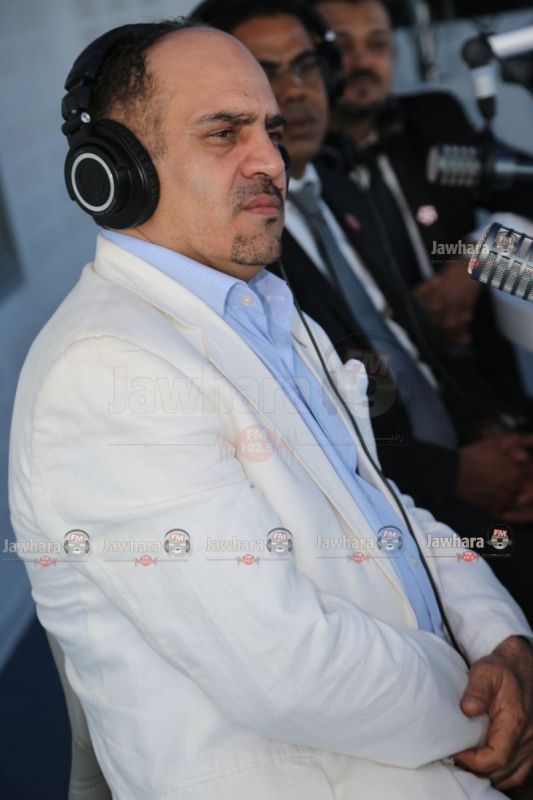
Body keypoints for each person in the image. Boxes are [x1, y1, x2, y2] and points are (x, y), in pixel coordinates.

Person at [8, 18, 533, 800]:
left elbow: (386, 505)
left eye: (272, 132)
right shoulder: (104, 372)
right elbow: (288, 668)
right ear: (113, 170)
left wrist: (504, 641)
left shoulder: (266, 312)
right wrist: (487, 711)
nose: (271, 162)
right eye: (225, 133)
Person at [193, 0, 533, 618]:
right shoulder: (236, 247)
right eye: (266, 73)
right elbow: (311, 430)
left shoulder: (338, 182)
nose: (296, 90)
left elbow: (412, 351)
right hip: (402, 509)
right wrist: (456, 472)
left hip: (472, 432)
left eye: (306, 66)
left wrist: (489, 433)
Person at [311, 0, 533, 397]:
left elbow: (527, 197)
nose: (362, 61)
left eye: (377, 44)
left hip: (494, 370)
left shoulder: (434, 116)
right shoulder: (299, 164)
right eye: (343, 46)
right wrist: (412, 318)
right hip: (388, 392)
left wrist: (476, 258)